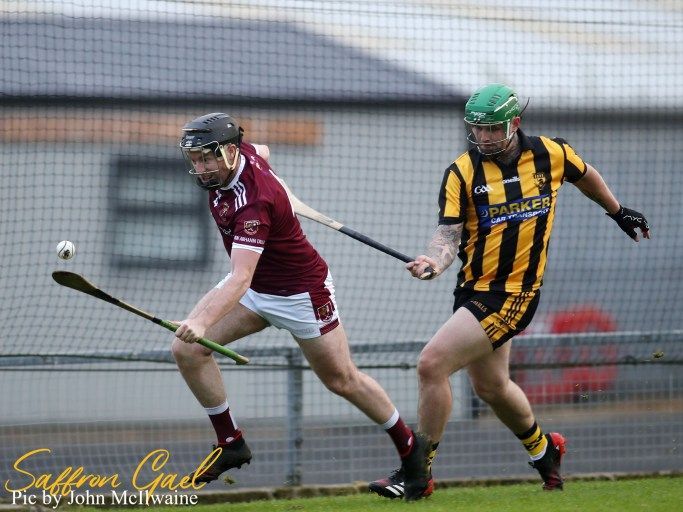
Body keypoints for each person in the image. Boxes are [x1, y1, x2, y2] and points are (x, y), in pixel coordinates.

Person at [369, 84, 650, 500]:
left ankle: (417, 472)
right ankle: (544, 450)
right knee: (492, 387)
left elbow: (586, 175)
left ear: (514, 123)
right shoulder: (461, 172)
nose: (482, 137)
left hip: (516, 293)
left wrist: (618, 212)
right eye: (476, 129)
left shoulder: (551, 154)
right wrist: (434, 263)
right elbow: (448, 235)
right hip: (473, 290)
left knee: (432, 364)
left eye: (491, 129)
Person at [172, 113, 426, 485]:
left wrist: (201, 321)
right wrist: (277, 185)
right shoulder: (240, 155)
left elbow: (240, 277)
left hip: (301, 294)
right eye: (195, 159)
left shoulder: (252, 203)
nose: (200, 168)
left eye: (207, 159)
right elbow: (262, 150)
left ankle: (412, 452)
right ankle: (231, 442)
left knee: (342, 380)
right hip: (257, 288)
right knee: (187, 349)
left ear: (229, 152)